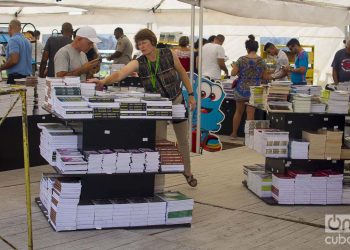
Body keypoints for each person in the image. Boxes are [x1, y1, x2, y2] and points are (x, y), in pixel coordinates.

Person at [88, 28, 197, 187]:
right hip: (157, 107)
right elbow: (120, 74)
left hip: (176, 100)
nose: (142, 47)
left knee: (183, 141)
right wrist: (103, 81)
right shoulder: (139, 62)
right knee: (158, 142)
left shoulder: (169, 53)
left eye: (144, 43)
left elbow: (182, 72)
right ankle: (158, 183)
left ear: (152, 42)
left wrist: (192, 94)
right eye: (139, 44)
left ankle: (187, 172)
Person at [230, 35, 272, 139]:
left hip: (241, 89)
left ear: (247, 48)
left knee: (238, 112)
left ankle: (234, 134)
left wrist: (238, 69)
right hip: (255, 90)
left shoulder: (241, 60)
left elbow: (233, 73)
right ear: (257, 48)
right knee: (250, 114)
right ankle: (249, 137)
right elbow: (265, 76)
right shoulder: (261, 61)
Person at [0, 20, 32, 84]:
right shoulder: (27, 41)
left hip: (16, 78)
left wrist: (2, 67)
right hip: (26, 77)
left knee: (13, 94)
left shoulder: (13, 40)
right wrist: (7, 62)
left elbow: (14, 60)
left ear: (10, 27)